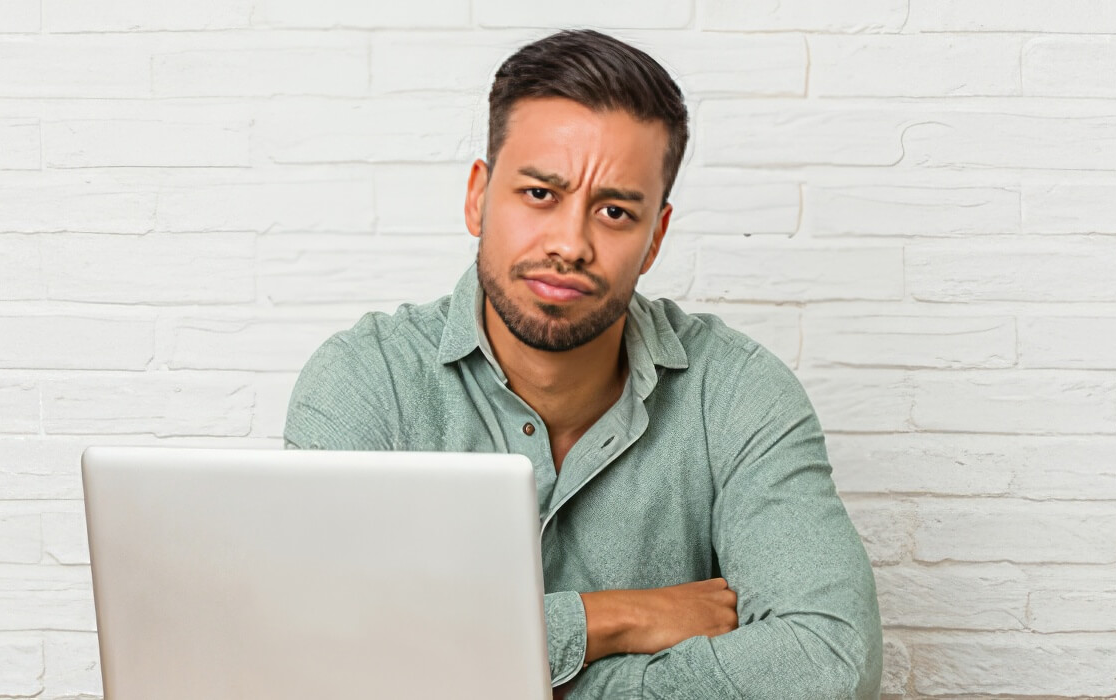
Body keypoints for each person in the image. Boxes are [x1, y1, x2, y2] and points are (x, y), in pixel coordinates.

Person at [283, 29, 881, 699]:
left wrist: (489, 668)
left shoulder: (739, 393)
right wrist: (611, 619)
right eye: (541, 194)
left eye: (615, 211)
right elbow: (315, 653)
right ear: (479, 197)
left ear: (655, 237)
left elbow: (833, 663)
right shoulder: (368, 382)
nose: (570, 244)